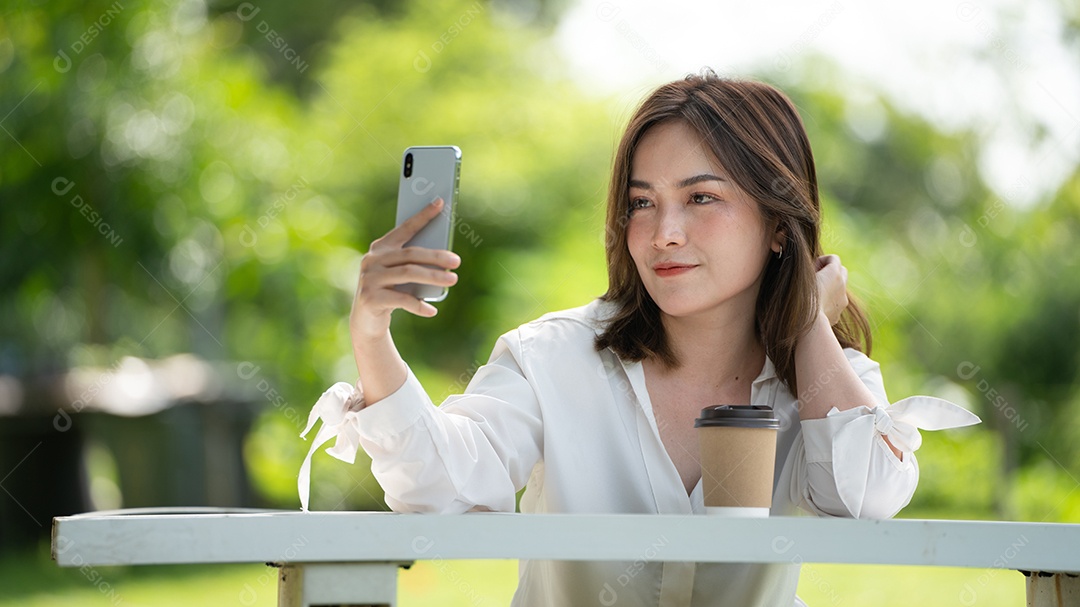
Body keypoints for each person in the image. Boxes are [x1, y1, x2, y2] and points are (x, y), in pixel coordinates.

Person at [298, 70, 979, 607]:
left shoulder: (825, 379)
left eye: (701, 198)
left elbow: (865, 499)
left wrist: (805, 321)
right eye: (642, 202)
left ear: (779, 224)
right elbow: (440, 485)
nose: (664, 233)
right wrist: (371, 332)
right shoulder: (551, 357)